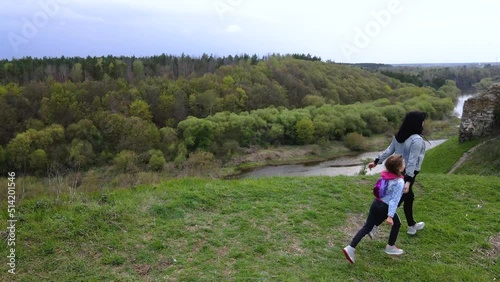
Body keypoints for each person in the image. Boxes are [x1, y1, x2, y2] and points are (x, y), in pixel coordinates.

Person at [367, 111, 427, 237]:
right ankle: (374, 226)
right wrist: (409, 180)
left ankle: (411, 225)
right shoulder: (417, 140)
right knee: (396, 200)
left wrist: (377, 161)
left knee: (409, 197)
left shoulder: (400, 135)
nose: (423, 123)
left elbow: (389, 150)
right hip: (408, 172)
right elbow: (412, 161)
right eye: (422, 120)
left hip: (397, 170)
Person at [343, 154, 406, 264]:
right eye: (403, 163)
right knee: (397, 223)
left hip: (376, 202)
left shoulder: (386, 175)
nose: (405, 165)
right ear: (399, 168)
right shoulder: (399, 182)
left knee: (367, 226)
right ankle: (390, 247)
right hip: (385, 207)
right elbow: (394, 200)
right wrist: (390, 216)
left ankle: (351, 247)